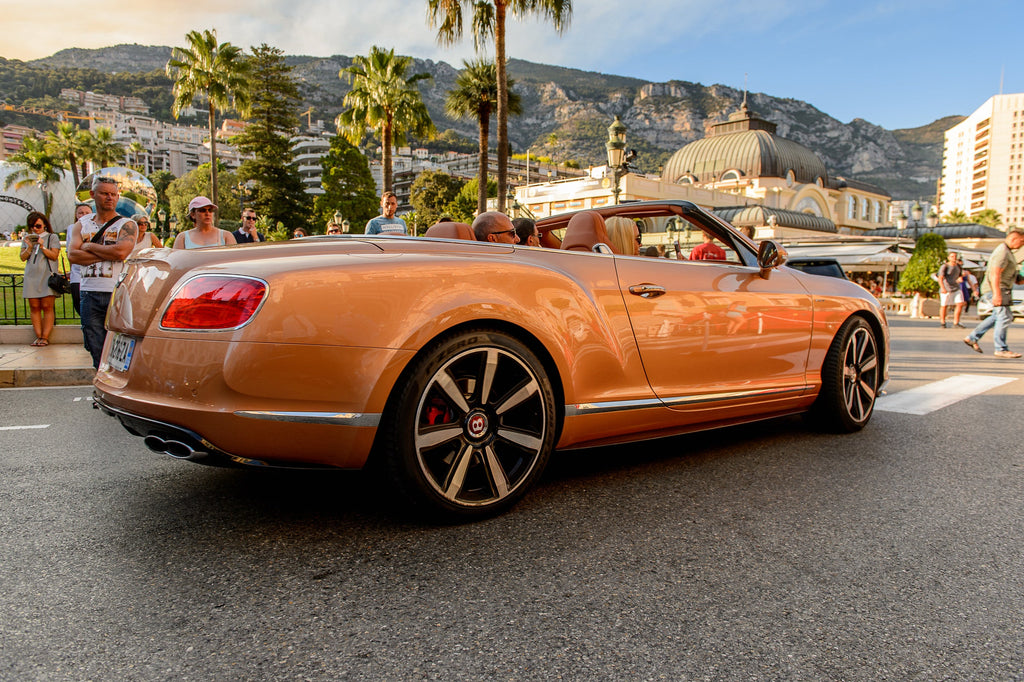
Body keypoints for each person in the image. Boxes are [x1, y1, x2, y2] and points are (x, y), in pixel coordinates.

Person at [68, 176, 137, 368]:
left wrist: (89, 246)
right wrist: (108, 253)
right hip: (89, 291)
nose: (109, 198)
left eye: (113, 194)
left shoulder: (126, 224)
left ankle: (114, 378)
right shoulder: (82, 224)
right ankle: (101, 377)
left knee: (120, 344)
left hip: (116, 291)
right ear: (93, 194)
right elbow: (73, 255)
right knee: (93, 342)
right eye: (104, 193)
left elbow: (121, 252)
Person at [964, 227, 1024, 358]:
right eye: (1022, 241)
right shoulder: (1002, 252)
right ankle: (1001, 348)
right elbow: (995, 273)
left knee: (998, 316)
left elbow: (1012, 276)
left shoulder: (1008, 252)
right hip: (997, 289)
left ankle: (972, 337)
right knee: (1004, 317)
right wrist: (996, 294)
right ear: (1014, 239)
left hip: (1002, 289)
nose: (1022, 245)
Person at [19, 211, 61, 347]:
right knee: (34, 307)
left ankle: (45, 337)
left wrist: (42, 246)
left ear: (44, 225)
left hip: (47, 276)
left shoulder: (52, 237)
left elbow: (54, 256)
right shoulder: (27, 238)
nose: (35, 229)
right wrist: (29, 247)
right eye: (32, 226)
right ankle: (38, 336)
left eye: (38, 226)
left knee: (47, 306)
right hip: (31, 276)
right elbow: (22, 257)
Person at [172, 197, 237, 250]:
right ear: (193, 214)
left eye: (210, 210)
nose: (207, 213)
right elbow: (176, 260)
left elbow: (233, 259)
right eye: (202, 210)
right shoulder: (183, 238)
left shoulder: (226, 236)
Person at [67, 203, 93, 315]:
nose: (84, 215)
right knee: (78, 304)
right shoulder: (72, 228)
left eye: (87, 213)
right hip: (77, 274)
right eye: (81, 213)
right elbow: (70, 252)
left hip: (92, 272)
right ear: (76, 215)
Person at [937, 251, 964, 328]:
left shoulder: (958, 266)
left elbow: (960, 275)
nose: (954, 258)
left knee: (960, 304)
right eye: (952, 256)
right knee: (944, 305)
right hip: (946, 287)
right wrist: (943, 288)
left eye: (955, 256)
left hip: (956, 287)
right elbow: (940, 278)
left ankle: (956, 322)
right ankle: (943, 322)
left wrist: (960, 278)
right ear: (948, 258)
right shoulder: (945, 266)